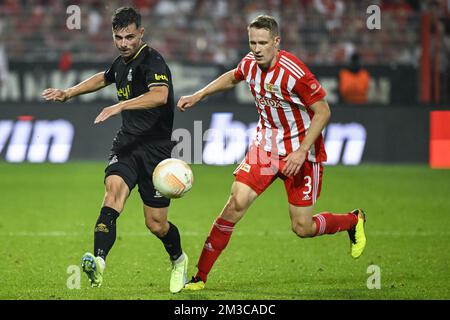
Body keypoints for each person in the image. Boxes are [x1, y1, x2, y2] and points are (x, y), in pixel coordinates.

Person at [177, 15, 366, 291]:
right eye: (252, 42)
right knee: (235, 203)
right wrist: (199, 95)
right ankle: (199, 277)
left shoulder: (295, 72)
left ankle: (353, 220)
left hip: (302, 154)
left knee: (302, 228)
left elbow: (323, 110)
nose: (256, 48)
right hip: (266, 149)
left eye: (263, 43)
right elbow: (233, 76)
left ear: (277, 42)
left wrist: (301, 151)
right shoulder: (250, 63)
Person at [42, 7, 188, 293]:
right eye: (118, 37)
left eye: (130, 37)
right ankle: (99, 263)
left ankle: (178, 259)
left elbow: (161, 96)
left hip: (156, 152)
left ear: (141, 33)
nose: (124, 43)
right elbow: (104, 77)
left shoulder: (152, 61)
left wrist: (120, 105)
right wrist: (68, 93)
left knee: (156, 224)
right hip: (127, 145)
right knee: (112, 194)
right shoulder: (121, 62)